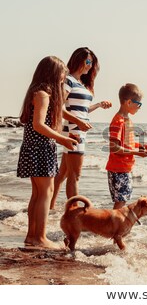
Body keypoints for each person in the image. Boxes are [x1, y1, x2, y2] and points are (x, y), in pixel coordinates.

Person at [17, 56, 78, 249]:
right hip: (40, 147)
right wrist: (62, 139)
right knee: (45, 192)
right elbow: (38, 124)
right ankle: (40, 237)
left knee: (38, 193)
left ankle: (31, 236)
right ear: (52, 73)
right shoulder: (43, 94)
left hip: (35, 147)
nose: (64, 76)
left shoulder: (38, 92)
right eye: (62, 72)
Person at [50, 47, 112, 209]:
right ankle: (74, 213)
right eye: (88, 62)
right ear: (78, 60)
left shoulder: (82, 84)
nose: (90, 66)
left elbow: (82, 110)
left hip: (78, 129)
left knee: (63, 174)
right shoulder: (69, 80)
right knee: (74, 176)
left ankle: (49, 207)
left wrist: (98, 105)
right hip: (73, 131)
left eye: (92, 63)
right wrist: (80, 122)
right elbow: (59, 108)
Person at [106, 83, 147, 209]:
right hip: (118, 169)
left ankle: (118, 228)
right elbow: (114, 147)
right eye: (139, 104)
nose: (139, 107)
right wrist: (137, 153)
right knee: (120, 204)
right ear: (129, 102)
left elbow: (126, 144)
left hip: (124, 169)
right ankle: (116, 228)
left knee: (122, 201)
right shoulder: (118, 121)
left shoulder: (127, 120)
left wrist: (140, 146)